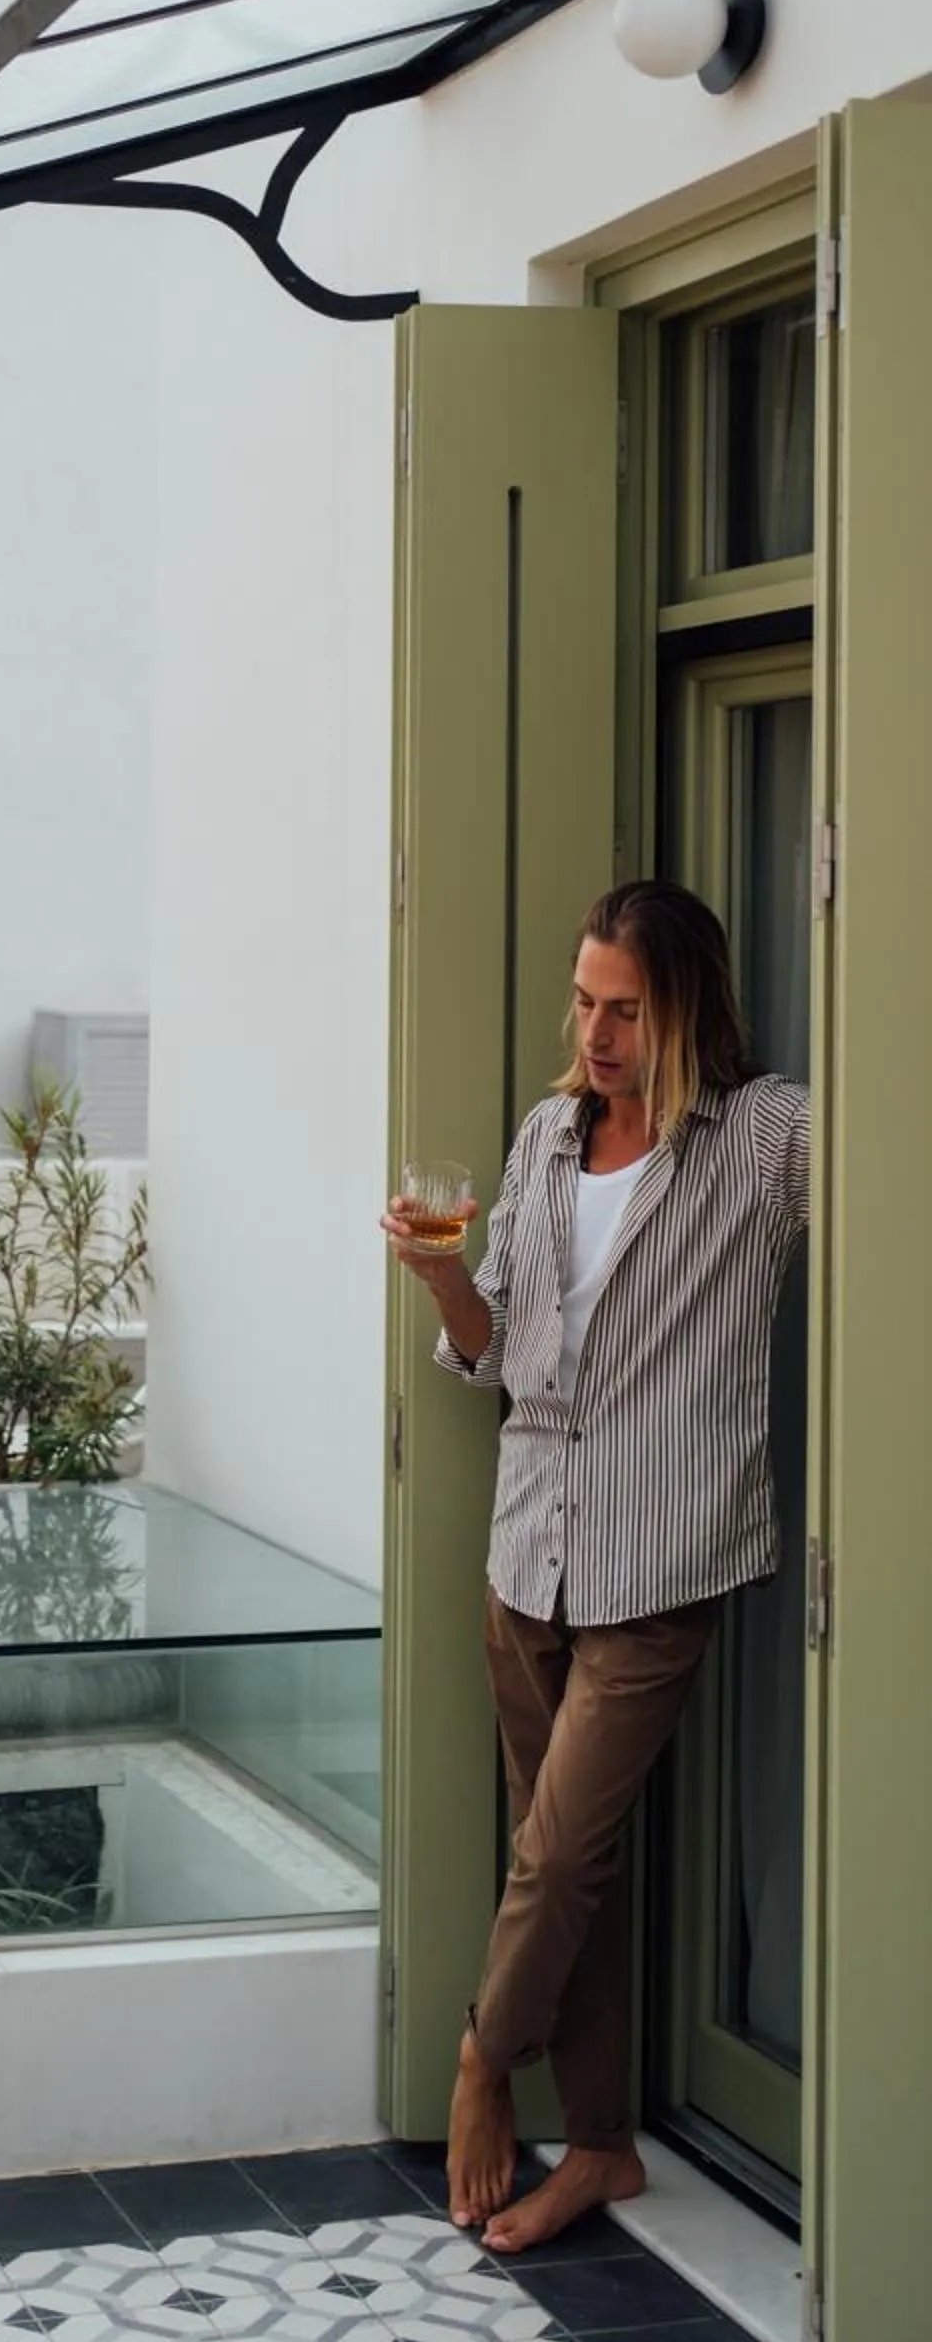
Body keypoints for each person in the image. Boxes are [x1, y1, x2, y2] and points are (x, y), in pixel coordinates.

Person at [381, 880, 809, 2253]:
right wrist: (437, 1277)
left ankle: (480, 2060)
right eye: (585, 1000)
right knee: (573, 1865)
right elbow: (492, 1343)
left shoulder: (758, 1139)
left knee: (558, 1854)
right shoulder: (550, 1137)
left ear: (684, 1006)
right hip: (530, 1551)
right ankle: (606, 2149)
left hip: (660, 1553)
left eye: (624, 1007)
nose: (597, 1030)